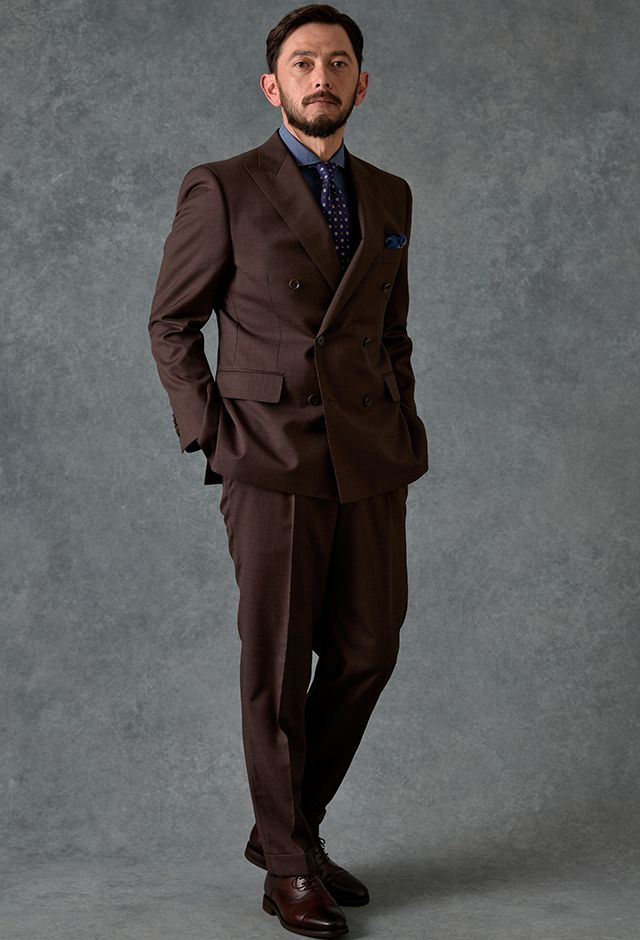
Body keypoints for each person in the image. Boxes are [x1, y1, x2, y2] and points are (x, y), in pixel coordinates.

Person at [148, 4, 429, 936]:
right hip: (269, 455)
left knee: (368, 650)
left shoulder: (389, 194)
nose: (321, 76)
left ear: (361, 83)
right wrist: (212, 434)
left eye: (338, 63)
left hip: (370, 457)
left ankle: (287, 829)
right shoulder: (224, 186)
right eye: (303, 63)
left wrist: (404, 423)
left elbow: (390, 331)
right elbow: (172, 323)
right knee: (273, 668)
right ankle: (288, 864)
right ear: (273, 85)